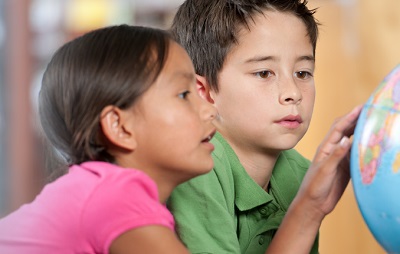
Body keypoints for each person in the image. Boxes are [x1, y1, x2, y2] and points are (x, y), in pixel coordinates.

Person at [0, 24, 217, 253]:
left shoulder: (97, 190)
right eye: (183, 94)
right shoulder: (116, 198)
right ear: (120, 127)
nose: (209, 110)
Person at [167, 1, 362, 253]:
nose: (292, 93)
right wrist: (308, 209)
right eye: (263, 73)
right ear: (202, 92)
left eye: (302, 73)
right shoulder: (195, 169)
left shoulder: (301, 175)